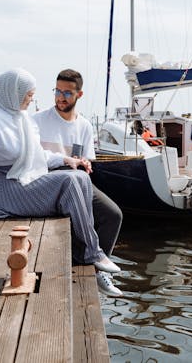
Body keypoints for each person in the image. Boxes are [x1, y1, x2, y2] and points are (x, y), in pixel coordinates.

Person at [0, 68, 119, 276]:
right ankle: (93, 253)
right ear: (14, 92)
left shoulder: (20, 117)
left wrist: (67, 160)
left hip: (23, 177)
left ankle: (89, 253)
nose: (31, 100)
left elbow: (37, 154)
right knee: (69, 182)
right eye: (28, 95)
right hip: (3, 185)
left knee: (80, 177)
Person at [33, 69, 123, 296]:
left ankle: (96, 269)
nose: (60, 97)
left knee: (113, 215)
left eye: (67, 93)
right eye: (57, 91)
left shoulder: (84, 126)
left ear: (79, 95)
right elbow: (32, 158)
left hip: (77, 179)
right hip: (46, 179)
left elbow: (87, 160)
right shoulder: (37, 121)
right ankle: (83, 264)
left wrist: (84, 162)